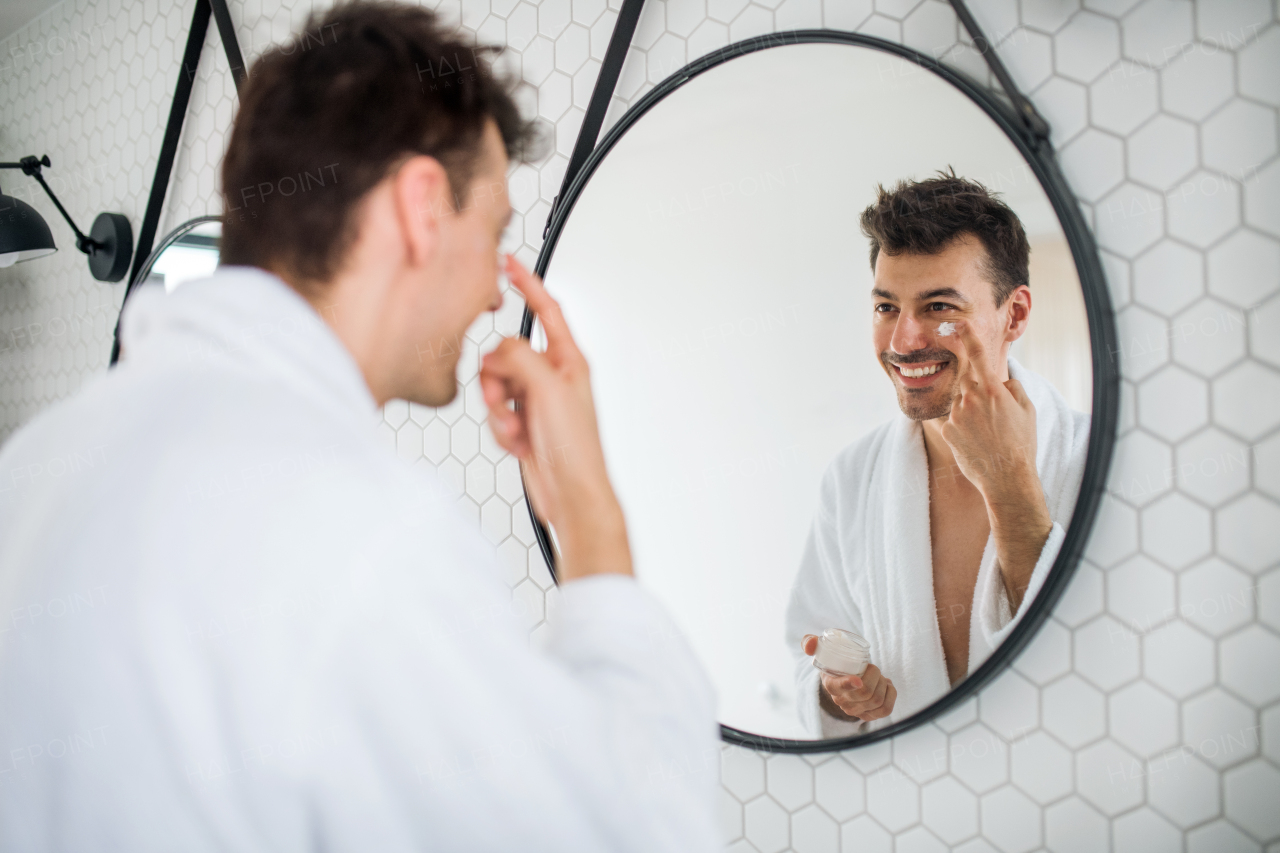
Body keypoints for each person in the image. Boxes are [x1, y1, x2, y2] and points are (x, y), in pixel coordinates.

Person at [0, 4, 720, 850]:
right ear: (422, 206)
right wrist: (592, 516)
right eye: (491, 235)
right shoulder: (362, 529)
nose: (495, 294)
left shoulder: (34, 461)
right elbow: (635, 832)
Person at [785, 173, 1090, 737]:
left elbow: (1097, 664)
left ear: (1014, 315)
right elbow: (809, 661)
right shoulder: (853, 480)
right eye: (885, 307)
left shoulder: (1095, 457)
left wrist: (1009, 483)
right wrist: (839, 696)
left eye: (939, 306)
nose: (903, 342)